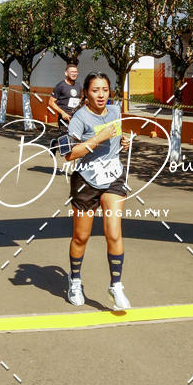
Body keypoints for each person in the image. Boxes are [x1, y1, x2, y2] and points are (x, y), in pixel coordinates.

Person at [65, 73, 131, 310]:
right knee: (81, 237)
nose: (101, 94)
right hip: (86, 181)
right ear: (86, 92)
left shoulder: (115, 111)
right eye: (95, 90)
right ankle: (75, 280)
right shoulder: (79, 118)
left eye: (104, 89)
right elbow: (69, 154)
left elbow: (116, 139)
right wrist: (98, 138)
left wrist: (123, 141)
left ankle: (116, 285)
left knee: (113, 232)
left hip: (113, 177)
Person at [48, 62, 83, 133]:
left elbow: (81, 98)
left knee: (76, 140)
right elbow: (51, 102)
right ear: (66, 73)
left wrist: (80, 104)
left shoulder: (78, 85)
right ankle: (55, 143)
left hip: (76, 118)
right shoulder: (60, 86)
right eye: (72, 72)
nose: (74, 74)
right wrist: (63, 113)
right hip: (65, 119)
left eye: (76, 72)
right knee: (65, 140)